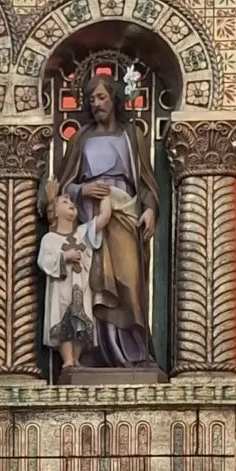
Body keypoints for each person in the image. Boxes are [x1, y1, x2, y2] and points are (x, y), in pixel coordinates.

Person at [41, 66, 162, 371]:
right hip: (91, 215)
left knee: (128, 282)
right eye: (91, 99)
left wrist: (150, 208)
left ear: (114, 98)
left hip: (125, 214)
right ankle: (97, 354)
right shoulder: (81, 138)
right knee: (92, 283)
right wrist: (83, 189)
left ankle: (133, 353)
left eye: (100, 97)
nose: (95, 103)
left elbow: (146, 181)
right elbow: (65, 186)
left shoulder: (132, 136)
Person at [37, 190, 94, 375]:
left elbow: (101, 222)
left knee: (80, 321)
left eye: (71, 202)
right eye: (64, 202)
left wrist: (106, 197)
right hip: (61, 287)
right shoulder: (50, 239)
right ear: (54, 212)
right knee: (64, 321)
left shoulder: (81, 234)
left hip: (80, 284)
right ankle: (67, 359)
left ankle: (76, 357)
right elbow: (44, 261)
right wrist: (65, 257)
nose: (71, 203)